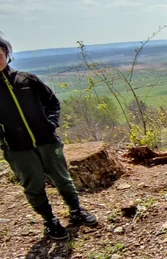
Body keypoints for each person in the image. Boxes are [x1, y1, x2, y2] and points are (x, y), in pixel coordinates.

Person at [0, 35, 97, 240]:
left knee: (63, 179)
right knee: (33, 187)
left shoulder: (27, 80)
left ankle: (76, 211)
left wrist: (51, 125)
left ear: (7, 55)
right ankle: (49, 220)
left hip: (47, 142)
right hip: (17, 149)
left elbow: (52, 103)